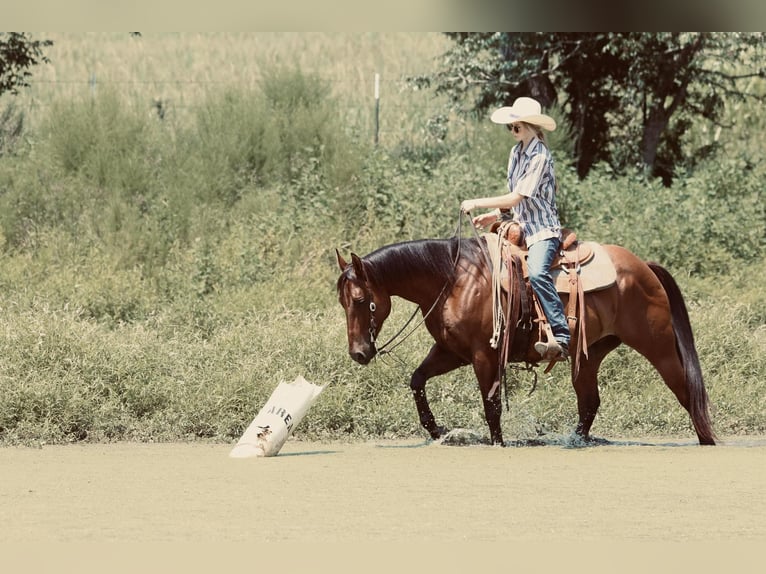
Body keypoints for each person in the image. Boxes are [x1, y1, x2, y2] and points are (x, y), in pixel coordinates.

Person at [460, 96, 569, 361]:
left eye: (516, 127)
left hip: (542, 230)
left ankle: (562, 335)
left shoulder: (540, 156)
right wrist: (492, 216)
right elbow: (513, 201)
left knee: (538, 272)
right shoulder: (516, 153)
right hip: (519, 225)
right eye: (510, 127)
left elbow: (517, 197)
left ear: (530, 126)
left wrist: (477, 202)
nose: (512, 131)